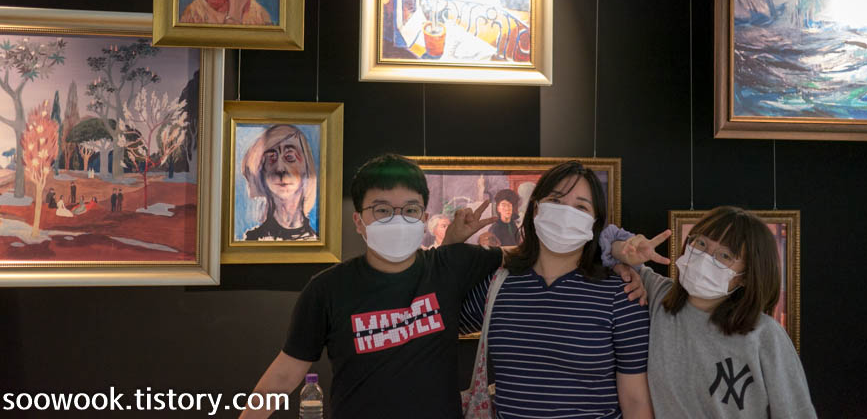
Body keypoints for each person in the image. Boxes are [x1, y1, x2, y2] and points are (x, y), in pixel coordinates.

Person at [240, 154, 502, 419]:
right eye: (382, 210)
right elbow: (284, 375)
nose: (398, 220)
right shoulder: (327, 289)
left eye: (410, 210)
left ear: (424, 218)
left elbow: (520, 260)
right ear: (358, 222)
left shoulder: (449, 265)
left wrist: (453, 244)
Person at [460, 161, 654, 419]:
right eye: (555, 200)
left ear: (594, 223)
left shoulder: (622, 293)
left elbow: (636, 402)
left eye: (581, 207)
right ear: (535, 209)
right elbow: (441, 324)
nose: (566, 213)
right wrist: (451, 248)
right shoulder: (498, 285)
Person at [605, 206, 817, 418]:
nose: (704, 257)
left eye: (724, 255)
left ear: (745, 276)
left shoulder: (765, 335)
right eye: (701, 244)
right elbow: (604, 242)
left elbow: (797, 413)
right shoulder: (658, 294)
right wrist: (623, 250)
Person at [241, 125, 318, 241]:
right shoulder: (252, 240)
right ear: (262, 171)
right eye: (271, 158)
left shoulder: (317, 240)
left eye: (290, 157)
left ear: (306, 168)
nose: (280, 168)